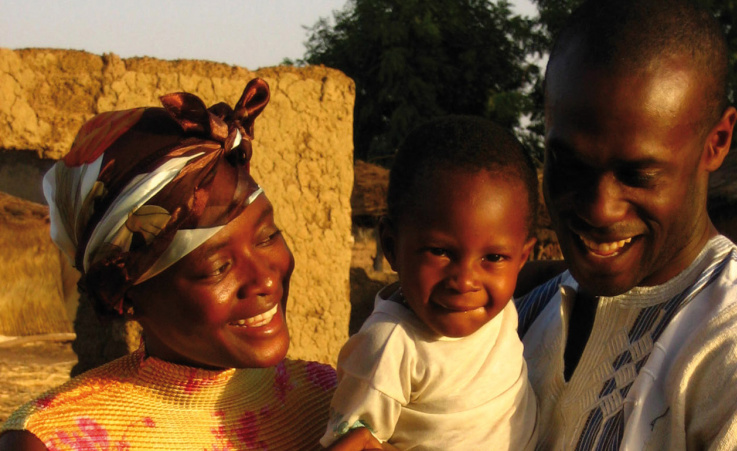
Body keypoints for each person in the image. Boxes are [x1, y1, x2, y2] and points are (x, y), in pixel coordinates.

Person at [515, 0, 737, 449]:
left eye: (638, 175)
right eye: (569, 165)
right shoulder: (517, 314)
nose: (600, 209)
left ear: (716, 142)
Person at [0, 79, 337, 450]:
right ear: (128, 297)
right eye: (218, 268)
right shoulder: (52, 441)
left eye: (267, 237)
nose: (265, 280)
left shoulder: (334, 401)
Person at [320, 116, 539, 450]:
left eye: (493, 258)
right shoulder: (390, 347)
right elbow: (349, 443)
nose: (465, 281)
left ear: (521, 260)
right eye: (440, 252)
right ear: (391, 246)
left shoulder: (497, 310)